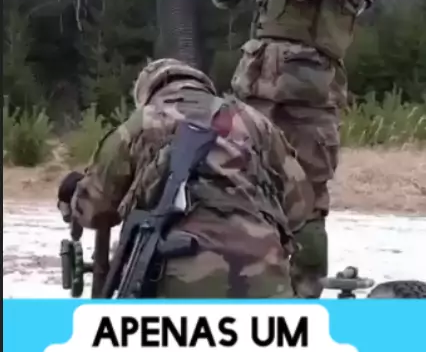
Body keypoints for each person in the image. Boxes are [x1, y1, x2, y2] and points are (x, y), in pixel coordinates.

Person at [210, 0, 371, 298]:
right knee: (237, 188)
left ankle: (303, 297)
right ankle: (240, 287)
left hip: (308, 101)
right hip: (253, 93)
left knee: (306, 201)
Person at [59, 58, 315, 299]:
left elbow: (93, 210)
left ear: (148, 93)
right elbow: (300, 207)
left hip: (178, 284)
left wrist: (73, 195)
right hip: (266, 281)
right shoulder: (255, 122)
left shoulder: (141, 123)